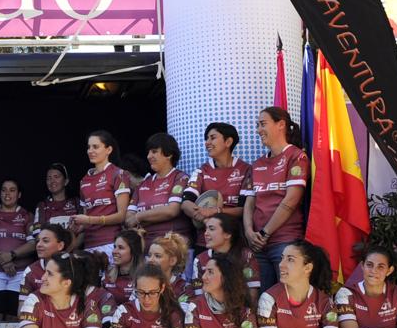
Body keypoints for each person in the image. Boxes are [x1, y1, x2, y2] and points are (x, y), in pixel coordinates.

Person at [243, 107, 308, 288]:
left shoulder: (296, 156)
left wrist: (265, 233)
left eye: (263, 124)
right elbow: (250, 202)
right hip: (258, 245)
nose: (258, 130)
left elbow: (291, 200)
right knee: (262, 302)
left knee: (285, 299)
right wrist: (249, 232)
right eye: (257, 125)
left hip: (285, 242)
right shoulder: (257, 164)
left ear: (281, 125)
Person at [181, 122, 251, 257]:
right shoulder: (201, 171)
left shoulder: (246, 170)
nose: (207, 142)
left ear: (228, 141)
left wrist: (216, 211)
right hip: (205, 244)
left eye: (212, 138)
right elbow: (185, 203)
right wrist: (207, 221)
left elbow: (244, 209)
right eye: (206, 139)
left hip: (236, 242)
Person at [0, 179, 35, 316]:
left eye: (12, 190)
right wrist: (4, 260)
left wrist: (12, 255)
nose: (7, 193)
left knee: (14, 319)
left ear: (19, 194)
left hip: (20, 274)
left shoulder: (27, 215)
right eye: (4, 190)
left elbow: (33, 244)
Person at [128, 132, 192, 251]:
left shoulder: (181, 178)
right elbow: (128, 219)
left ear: (169, 154)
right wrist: (154, 216)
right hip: (146, 251)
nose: (148, 156)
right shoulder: (143, 184)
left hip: (174, 251)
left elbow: (171, 211)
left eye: (154, 151)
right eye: (148, 152)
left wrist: (139, 216)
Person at [74, 131, 131, 260]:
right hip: (89, 245)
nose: (90, 151)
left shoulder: (118, 174)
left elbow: (122, 216)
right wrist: (78, 225)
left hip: (111, 243)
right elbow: (87, 217)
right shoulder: (84, 180)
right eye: (88, 147)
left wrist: (89, 220)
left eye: (95, 147)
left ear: (108, 149)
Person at [193, 213, 260, 300]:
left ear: (227, 234)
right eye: (205, 229)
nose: (206, 233)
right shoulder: (200, 259)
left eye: (211, 229)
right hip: (209, 310)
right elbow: (198, 295)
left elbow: (252, 294)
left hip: (238, 309)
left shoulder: (246, 256)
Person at [19, 223, 70, 308]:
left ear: (60, 245)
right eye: (38, 241)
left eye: (45, 241)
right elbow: (22, 309)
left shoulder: (73, 267)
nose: (39, 245)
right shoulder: (30, 271)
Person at [32, 162, 78, 242]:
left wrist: (68, 250)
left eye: (56, 177)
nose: (52, 181)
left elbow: (83, 233)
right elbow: (37, 236)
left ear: (66, 181)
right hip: (50, 253)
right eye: (49, 178)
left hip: (73, 252)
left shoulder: (76, 202)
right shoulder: (42, 206)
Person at [101, 229, 144, 309]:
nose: (114, 251)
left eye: (120, 248)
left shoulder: (144, 277)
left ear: (133, 251)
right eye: (114, 247)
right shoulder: (107, 274)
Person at [148, 232, 192, 304]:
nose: (150, 260)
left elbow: (183, 314)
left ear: (172, 261)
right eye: (149, 255)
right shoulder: (141, 282)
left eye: (157, 256)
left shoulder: (184, 288)